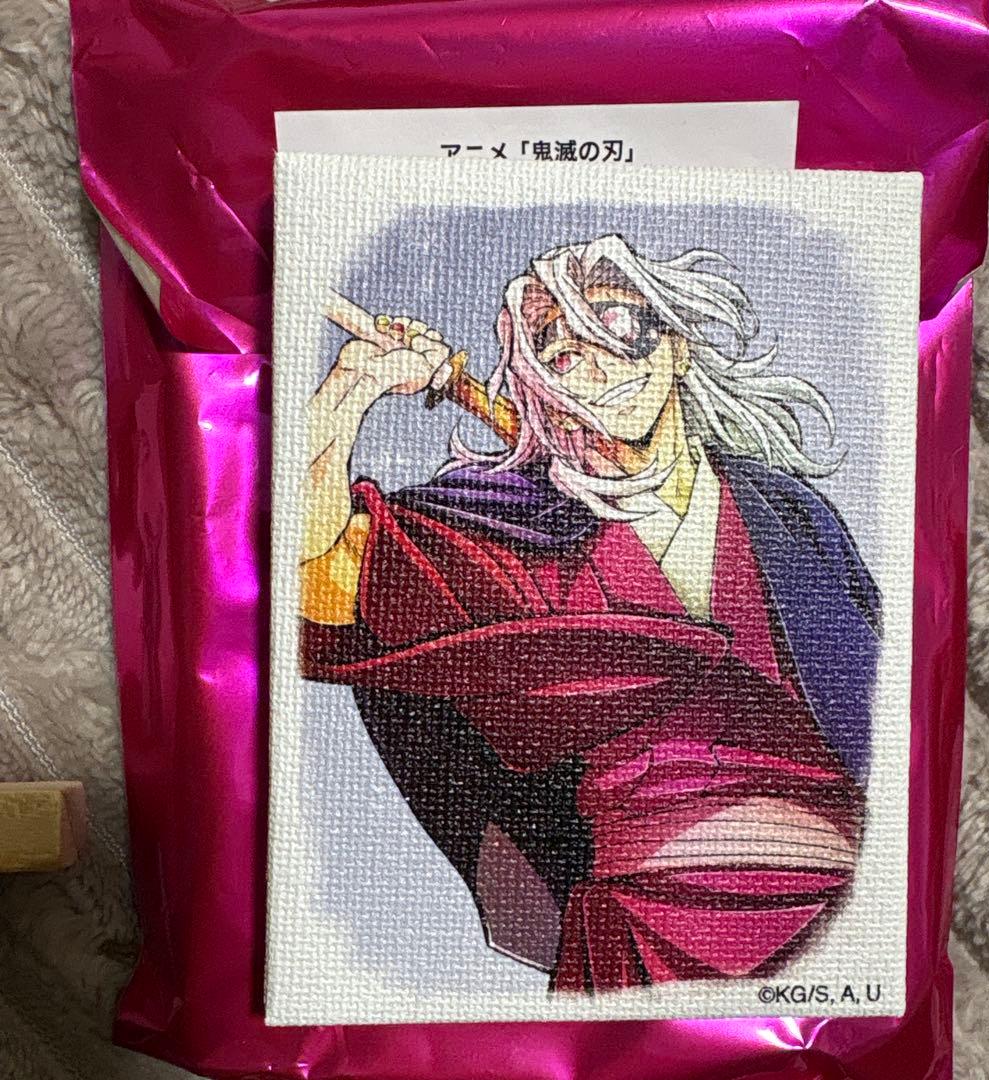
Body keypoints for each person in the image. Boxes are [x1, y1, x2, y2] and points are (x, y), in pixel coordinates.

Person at [298, 235, 881, 991]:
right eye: (551, 341)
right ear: (536, 379)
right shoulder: (504, 533)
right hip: (646, 938)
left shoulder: (789, 517)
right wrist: (356, 381)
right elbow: (303, 571)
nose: (580, 350)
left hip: (848, 922)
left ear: (675, 348)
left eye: (611, 318)